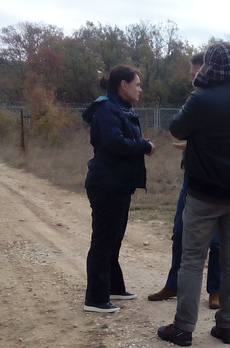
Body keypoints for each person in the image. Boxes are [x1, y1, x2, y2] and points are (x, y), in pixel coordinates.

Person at [157, 42, 230, 346]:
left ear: (210, 64)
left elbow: (176, 129)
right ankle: (226, 327)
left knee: (193, 260)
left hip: (203, 193)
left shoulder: (202, 98)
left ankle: (183, 328)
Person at [148, 51, 222, 310]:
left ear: (208, 72)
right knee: (179, 232)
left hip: (215, 180)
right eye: (191, 74)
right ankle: (174, 284)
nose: (191, 78)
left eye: (195, 74)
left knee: (216, 240)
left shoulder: (219, 101)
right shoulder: (196, 99)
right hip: (190, 178)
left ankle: (216, 290)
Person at [81, 64, 156, 313]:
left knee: (114, 239)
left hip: (119, 184)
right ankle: (95, 299)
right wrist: (144, 145)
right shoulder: (106, 108)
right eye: (137, 84)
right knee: (103, 241)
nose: (140, 89)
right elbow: (114, 143)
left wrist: (140, 145)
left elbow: (123, 141)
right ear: (123, 85)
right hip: (106, 184)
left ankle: (113, 287)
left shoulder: (121, 107)